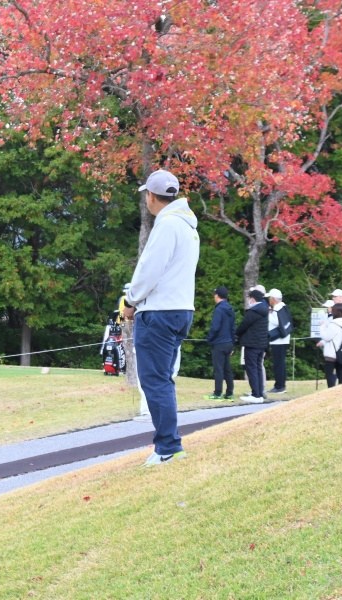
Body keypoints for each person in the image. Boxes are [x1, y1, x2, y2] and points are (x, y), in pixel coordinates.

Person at [122, 170, 200, 467]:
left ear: (151, 197)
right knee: (162, 380)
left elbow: (148, 270)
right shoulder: (188, 225)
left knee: (154, 381)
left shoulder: (166, 224)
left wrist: (130, 301)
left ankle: (168, 447)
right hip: (181, 309)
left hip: (160, 311)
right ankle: (169, 444)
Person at [235, 289, 269, 403]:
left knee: (252, 368)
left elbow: (243, 326)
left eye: (250, 298)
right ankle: (259, 393)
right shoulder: (264, 311)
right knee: (258, 367)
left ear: (252, 299)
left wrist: (236, 334)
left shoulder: (253, 311)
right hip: (261, 344)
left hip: (252, 344)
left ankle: (255, 394)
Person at [205, 286, 235, 401]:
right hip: (228, 343)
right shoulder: (230, 309)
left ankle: (217, 393)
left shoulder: (219, 310)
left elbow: (215, 327)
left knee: (218, 369)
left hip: (219, 343)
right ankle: (229, 392)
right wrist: (232, 343)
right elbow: (233, 328)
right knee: (227, 369)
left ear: (217, 296)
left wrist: (210, 339)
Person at [320, 304, 342, 387]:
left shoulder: (334, 324)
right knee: (340, 372)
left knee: (329, 373)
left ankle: (331, 390)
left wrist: (322, 326)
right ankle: (341, 390)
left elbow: (326, 337)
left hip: (332, 352)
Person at [266, 288, 292, 394]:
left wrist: (269, 313)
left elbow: (276, 322)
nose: (269, 300)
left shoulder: (277, 308)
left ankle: (280, 386)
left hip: (278, 340)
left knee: (278, 364)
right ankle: (280, 385)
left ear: (273, 299)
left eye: (269, 298)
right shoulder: (284, 307)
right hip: (284, 339)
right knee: (281, 363)